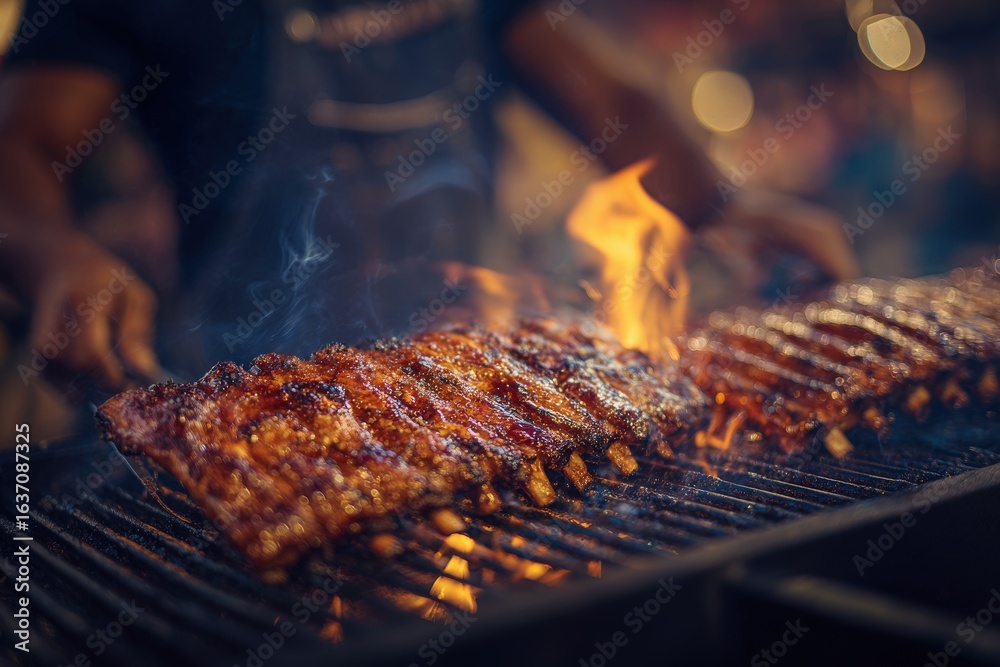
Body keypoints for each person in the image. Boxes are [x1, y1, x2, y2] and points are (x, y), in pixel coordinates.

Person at [0, 0, 857, 399]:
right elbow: (18, 141)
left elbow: (613, 103)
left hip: (484, 372)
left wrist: (722, 208)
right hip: (247, 382)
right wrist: (51, 249)